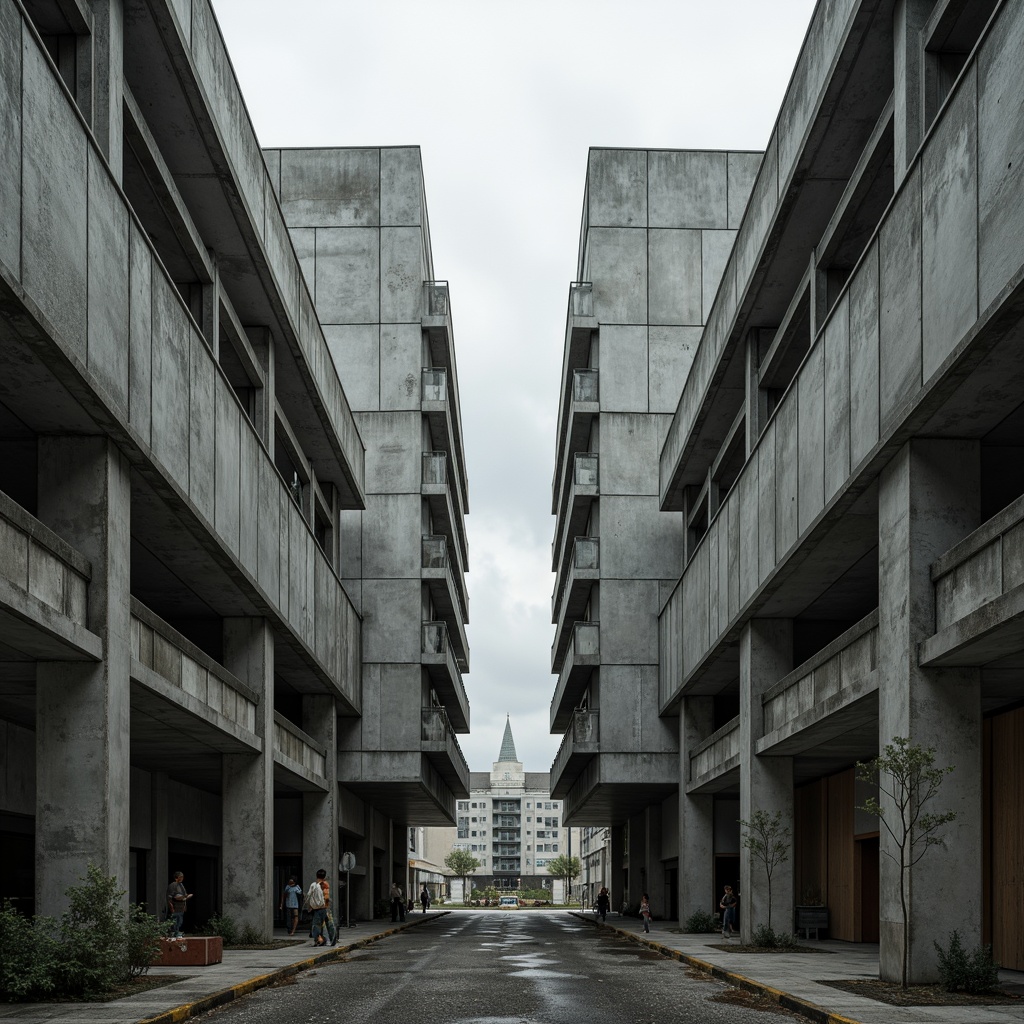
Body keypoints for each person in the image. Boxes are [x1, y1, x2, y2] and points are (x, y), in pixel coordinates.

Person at [308, 868, 332, 947]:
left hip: (316, 908)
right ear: (324, 876)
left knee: (317, 924)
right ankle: (324, 939)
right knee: (324, 924)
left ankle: (319, 939)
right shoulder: (325, 884)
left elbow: (309, 896)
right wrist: (327, 906)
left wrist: (310, 906)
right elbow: (327, 897)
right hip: (323, 908)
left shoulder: (313, 885)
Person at [165, 871, 192, 938]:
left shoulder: (181, 885)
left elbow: (184, 896)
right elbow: (169, 897)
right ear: (176, 877)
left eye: (182, 876)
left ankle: (176, 932)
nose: (182, 878)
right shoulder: (173, 885)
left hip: (181, 907)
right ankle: (173, 932)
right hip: (175, 906)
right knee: (175, 921)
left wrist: (185, 905)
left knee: (180, 921)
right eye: (180, 876)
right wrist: (171, 906)